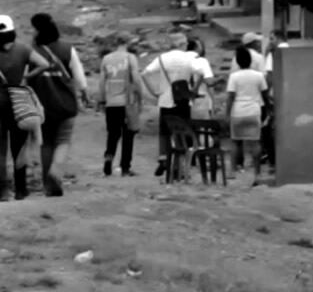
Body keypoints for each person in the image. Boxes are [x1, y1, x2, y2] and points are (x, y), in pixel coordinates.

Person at [0, 14, 50, 201]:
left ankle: (2, 191)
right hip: (18, 100)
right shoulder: (23, 49)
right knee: (19, 146)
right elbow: (44, 64)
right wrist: (27, 77)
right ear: (12, 31)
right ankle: (20, 189)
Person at [27, 13, 87, 197]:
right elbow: (80, 78)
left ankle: (47, 184)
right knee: (63, 141)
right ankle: (55, 173)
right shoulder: (67, 49)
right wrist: (84, 94)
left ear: (38, 31)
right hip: (65, 104)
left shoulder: (31, 51)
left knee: (46, 143)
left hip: (41, 105)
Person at [142, 32, 213, 177]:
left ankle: (164, 158)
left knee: (165, 133)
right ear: (181, 44)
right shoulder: (189, 58)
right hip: (183, 100)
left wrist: (154, 92)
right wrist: (194, 89)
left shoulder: (162, 58)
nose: (187, 45)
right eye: (185, 43)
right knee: (182, 134)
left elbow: (145, 74)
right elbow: (202, 73)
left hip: (165, 100)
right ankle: (179, 167)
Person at [97, 34, 149, 177]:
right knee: (128, 135)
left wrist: (102, 100)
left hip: (111, 102)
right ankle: (125, 167)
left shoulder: (106, 59)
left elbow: (101, 82)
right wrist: (141, 96)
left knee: (112, 134)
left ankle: (108, 158)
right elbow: (136, 79)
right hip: (127, 102)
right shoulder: (130, 58)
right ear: (127, 43)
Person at [225, 47, 269, 186]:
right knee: (255, 142)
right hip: (254, 110)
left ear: (237, 62)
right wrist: (268, 110)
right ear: (250, 61)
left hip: (238, 111)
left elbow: (230, 97)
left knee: (235, 141)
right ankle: (257, 171)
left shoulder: (234, 77)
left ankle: (232, 170)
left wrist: (227, 114)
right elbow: (265, 94)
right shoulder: (259, 76)